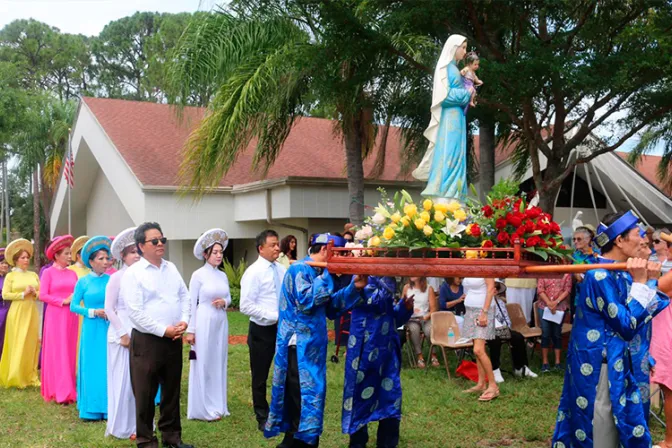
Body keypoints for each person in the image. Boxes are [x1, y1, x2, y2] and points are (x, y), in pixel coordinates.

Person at [552, 211, 670, 447]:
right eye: (638, 235)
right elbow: (627, 326)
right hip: (602, 370)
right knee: (602, 434)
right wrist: (641, 282)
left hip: (627, 365)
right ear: (619, 240)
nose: (643, 241)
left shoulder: (623, 273)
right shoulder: (598, 275)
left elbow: (647, 313)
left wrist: (647, 282)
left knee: (625, 433)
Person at [264, 233, 367, 448]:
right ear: (324, 251)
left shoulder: (319, 273)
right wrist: (329, 272)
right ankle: (297, 442)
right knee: (301, 401)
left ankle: (299, 442)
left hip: (313, 350)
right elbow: (306, 301)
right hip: (298, 349)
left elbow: (331, 308)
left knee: (310, 400)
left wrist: (354, 288)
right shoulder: (298, 269)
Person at [121, 222, 193, 448]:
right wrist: (164, 330)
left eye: (162, 240)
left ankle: (172, 437)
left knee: (171, 391)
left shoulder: (171, 268)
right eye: (155, 241)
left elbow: (185, 297)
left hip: (173, 340)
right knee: (145, 394)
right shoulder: (133, 274)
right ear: (141, 246)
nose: (160, 244)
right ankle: (146, 440)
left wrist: (183, 321)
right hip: (147, 342)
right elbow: (135, 312)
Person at [342, 276, 413, 448]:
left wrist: (405, 307)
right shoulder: (362, 276)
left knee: (391, 398)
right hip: (363, 349)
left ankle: (388, 443)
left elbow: (391, 317)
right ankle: (358, 443)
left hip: (386, 352)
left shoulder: (388, 277)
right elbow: (375, 301)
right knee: (359, 398)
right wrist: (389, 284)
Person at [412, 34, 470, 200]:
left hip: (457, 117)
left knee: (456, 153)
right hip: (450, 118)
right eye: (463, 47)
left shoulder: (454, 69)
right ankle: (446, 191)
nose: (465, 52)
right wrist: (466, 94)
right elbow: (444, 96)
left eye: (466, 48)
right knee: (449, 152)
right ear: (453, 47)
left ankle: (455, 192)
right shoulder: (446, 68)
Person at [240, 229, 286, 432]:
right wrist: (274, 316)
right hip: (262, 330)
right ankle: (262, 415)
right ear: (261, 248)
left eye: (278, 244)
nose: (277, 248)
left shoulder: (281, 269)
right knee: (260, 376)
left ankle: (281, 411)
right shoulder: (253, 272)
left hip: (283, 329)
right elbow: (245, 306)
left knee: (285, 371)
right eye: (273, 245)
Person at [185, 229, 232, 421]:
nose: (219, 256)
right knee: (203, 361)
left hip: (220, 321)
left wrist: (225, 302)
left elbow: (228, 296)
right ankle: (203, 407)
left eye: (220, 252)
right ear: (206, 255)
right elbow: (191, 302)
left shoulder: (222, 275)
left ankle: (219, 404)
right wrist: (190, 329)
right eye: (215, 252)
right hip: (204, 319)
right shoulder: (198, 275)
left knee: (218, 360)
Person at [70, 236, 112, 420]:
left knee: (109, 365)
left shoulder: (112, 279)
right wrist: (93, 311)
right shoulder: (83, 282)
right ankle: (91, 409)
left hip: (110, 328)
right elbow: (73, 306)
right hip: (91, 328)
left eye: (107, 258)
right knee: (92, 365)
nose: (105, 262)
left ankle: (110, 406)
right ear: (91, 261)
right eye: (101, 258)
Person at [104, 227, 140, 440]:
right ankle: (121, 425)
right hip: (121, 332)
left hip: (140, 330)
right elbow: (109, 308)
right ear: (123, 256)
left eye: (138, 251)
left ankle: (141, 423)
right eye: (132, 252)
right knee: (123, 379)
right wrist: (122, 333)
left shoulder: (143, 276)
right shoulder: (116, 278)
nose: (136, 255)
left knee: (140, 381)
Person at [40, 235, 79, 404]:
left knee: (69, 350)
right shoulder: (48, 273)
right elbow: (42, 295)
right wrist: (61, 301)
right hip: (56, 315)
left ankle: (70, 387)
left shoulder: (73, 273)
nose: (70, 257)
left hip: (71, 316)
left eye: (70, 253)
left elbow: (77, 293)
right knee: (58, 350)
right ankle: (59, 390)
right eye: (66, 254)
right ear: (56, 255)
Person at [0, 239, 40, 388]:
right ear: (16, 260)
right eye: (22, 257)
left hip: (31, 310)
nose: (26, 260)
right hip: (17, 311)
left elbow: (41, 293)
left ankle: (30, 374)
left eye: (27, 257)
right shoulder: (11, 276)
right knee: (18, 341)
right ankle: (16, 375)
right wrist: (23, 294)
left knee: (31, 342)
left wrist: (34, 292)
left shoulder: (33, 275)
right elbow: (5, 295)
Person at [488, 281, 537, 383]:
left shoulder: (500, 302)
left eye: (497, 289)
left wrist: (505, 327)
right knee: (495, 340)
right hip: (488, 330)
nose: (495, 290)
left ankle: (521, 368)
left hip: (502, 328)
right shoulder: (482, 302)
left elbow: (507, 319)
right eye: (493, 288)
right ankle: (495, 369)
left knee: (518, 336)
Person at [461, 277, 498, 401]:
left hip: (482, 311)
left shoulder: (486, 266)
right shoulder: (470, 266)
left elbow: (491, 288)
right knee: (476, 349)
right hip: (470, 310)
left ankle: (493, 386)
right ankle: (481, 384)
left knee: (478, 350)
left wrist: (485, 312)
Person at [536, 274, 572, 373]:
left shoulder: (566, 274)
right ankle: (545, 362)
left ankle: (557, 362)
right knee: (545, 334)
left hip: (560, 308)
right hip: (544, 307)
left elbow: (567, 290)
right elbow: (540, 289)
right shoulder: (543, 272)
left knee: (557, 334)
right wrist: (549, 303)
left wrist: (556, 302)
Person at [403, 277, 439, 368]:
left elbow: (433, 308)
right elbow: (402, 304)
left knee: (429, 330)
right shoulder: (406, 287)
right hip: (411, 318)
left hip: (425, 317)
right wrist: (409, 308)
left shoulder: (429, 288)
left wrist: (428, 315)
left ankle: (433, 355)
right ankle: (419, 356)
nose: (411, 275)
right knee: (414, 329)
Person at [0, 249, 9, 360]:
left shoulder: (9, 278)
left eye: (6, 263)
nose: (5, 265)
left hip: (9, 311)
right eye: (2, 263)